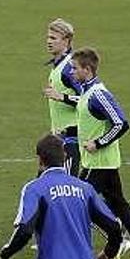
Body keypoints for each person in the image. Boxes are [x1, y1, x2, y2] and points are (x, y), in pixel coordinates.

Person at [71, 47, 130, 259]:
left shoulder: (98, 94)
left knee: (77, 202)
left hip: (99, 163)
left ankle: (111, 245)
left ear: (87, 69)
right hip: (99, 162)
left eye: (75, 68)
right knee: (119, 204)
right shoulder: (87, 91)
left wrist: (98, 143)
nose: (72, 72)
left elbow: (121, 123)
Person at [42, 18, 83, 176]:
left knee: (65, 185)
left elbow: (88, 100)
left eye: (53, 38)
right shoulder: (58, 65)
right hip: (59, 138)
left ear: (66, 40)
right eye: (48, 37)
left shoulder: (68, 68)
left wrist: (61, 97)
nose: (49, 42)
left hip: (71, 138)